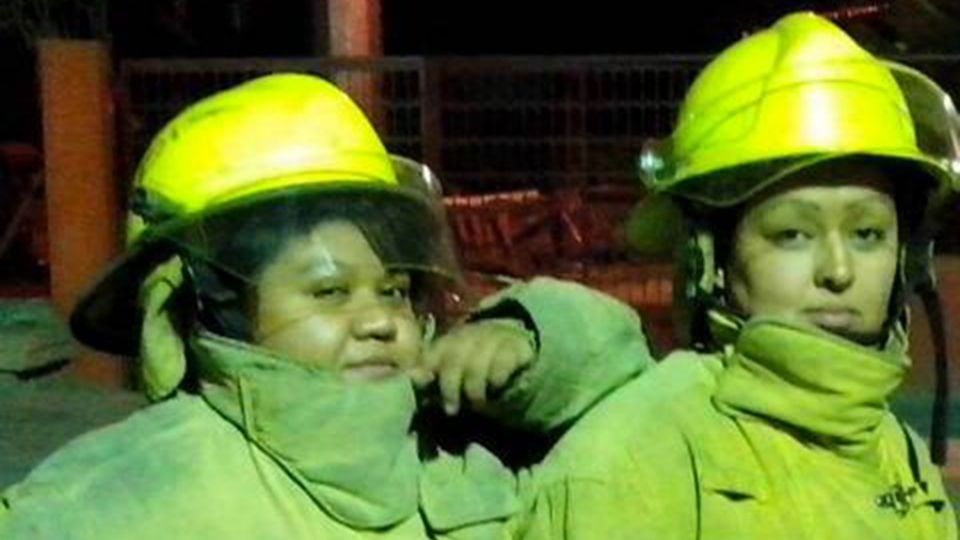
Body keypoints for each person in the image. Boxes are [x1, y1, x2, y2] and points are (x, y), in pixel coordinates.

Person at [0, 73, 651, 538]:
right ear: (210, 304)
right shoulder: (106, 504)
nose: (380, 320)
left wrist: (528, 335)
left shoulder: (458, 435)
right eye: (329, 292)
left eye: (395, 291)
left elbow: (635, 388)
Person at [483, 12, 959, 539]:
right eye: (792, 234)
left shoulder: (897, 451)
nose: (838, 271)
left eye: (867, 233)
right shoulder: (636, 464)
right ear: (708, 258)